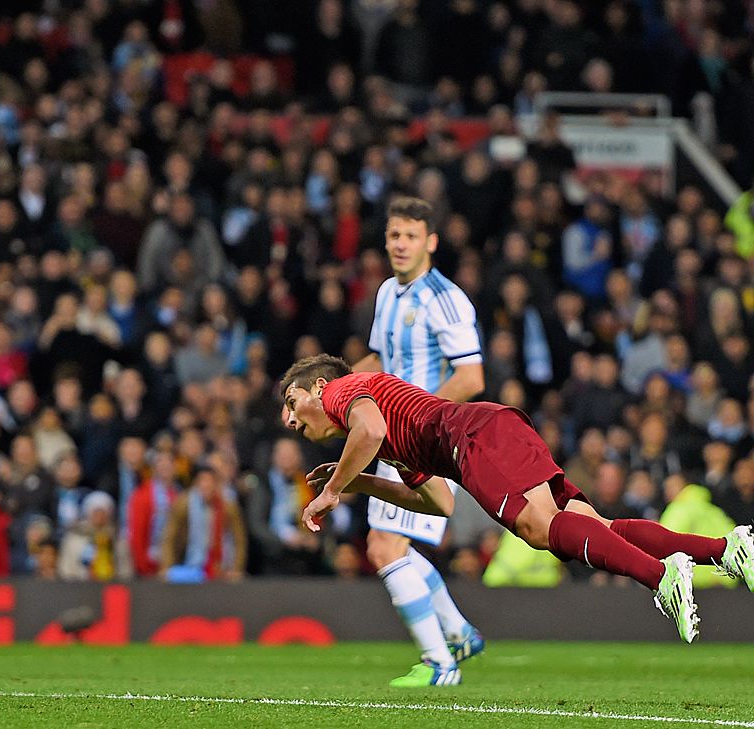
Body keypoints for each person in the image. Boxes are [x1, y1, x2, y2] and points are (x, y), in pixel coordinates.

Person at [279, 353, 754, 653]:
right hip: (489, 431)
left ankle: (661, 576)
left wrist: (331, 491)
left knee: (541, 531)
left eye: (292, 399)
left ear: (319, 388)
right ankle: (725, 550)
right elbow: (435, 502)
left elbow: (369, 429)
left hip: (474, 439)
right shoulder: (387, 431)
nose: (288, 417)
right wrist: (362, 484)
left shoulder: (346, 390)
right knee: (587, 523)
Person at [347, 196, 486, 686]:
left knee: (385, 547)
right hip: (392, 437)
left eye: (410, 236)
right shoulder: (388, 293)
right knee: (391, 545)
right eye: (393, 235)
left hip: (420, 440)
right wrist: (330, 388)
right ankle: (459, 634)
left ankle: (440, 663)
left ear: (430, 242)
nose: (400, 244)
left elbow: (471, 377)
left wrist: (423, 424)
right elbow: (380, 363)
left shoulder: (445, 298)